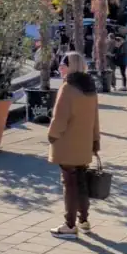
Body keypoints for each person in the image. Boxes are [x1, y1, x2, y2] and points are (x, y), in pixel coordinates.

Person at [47, 51, 102, 238]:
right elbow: (95, 118)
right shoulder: (90, 88)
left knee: (69, 185)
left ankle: (69, 225)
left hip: (67, 143)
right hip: (84, 143)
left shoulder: (68, 87)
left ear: (72, 66)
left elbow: (60, 118)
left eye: (64, 63)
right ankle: (84, 220)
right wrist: (95, 141)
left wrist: (52, 135)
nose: (60, 67)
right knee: (81, 182)